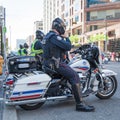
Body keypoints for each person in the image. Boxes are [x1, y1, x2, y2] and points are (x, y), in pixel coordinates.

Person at [42, 17, 95, 112]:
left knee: (69, 71)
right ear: (59, 27)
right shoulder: (54, 36)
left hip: (49, 64)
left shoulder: (48, 36)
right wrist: (66, 37)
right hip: (56, 64)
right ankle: (80, 104)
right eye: (63, 27)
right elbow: (68, 46)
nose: (64, 29)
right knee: (74, 76)